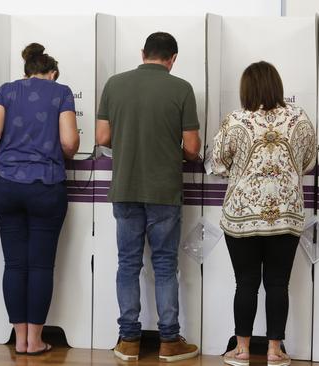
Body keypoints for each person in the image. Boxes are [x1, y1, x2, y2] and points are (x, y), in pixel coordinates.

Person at [96, 32, 201, 362]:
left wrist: (129, 143)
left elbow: (101, 136)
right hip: (164, 191)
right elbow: (193, 149)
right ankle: (169, 342)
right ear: (172, 59)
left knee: (127, 263)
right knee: (165, 265)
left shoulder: (114, 84)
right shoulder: (181, 88)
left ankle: (128, 341)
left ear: (143, 53)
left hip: (125, 187)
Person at [209, 61, 317, 366]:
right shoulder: (300, 118)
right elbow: (309, 161)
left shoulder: (236, 120)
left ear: (246, 89)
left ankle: (242, 350)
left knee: (245, 282)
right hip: (286, 213)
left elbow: (217, 163)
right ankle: (274, 350)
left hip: (242, 213)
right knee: (278, 282)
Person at [0, 43, 79, 356]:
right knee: (40, 266)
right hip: (46, 186)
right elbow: (69, 142)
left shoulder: (7, 92)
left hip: (7, 185)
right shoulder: (60, 91)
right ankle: (34, 341)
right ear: (51, 73)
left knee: (14, 264)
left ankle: (19, 338)